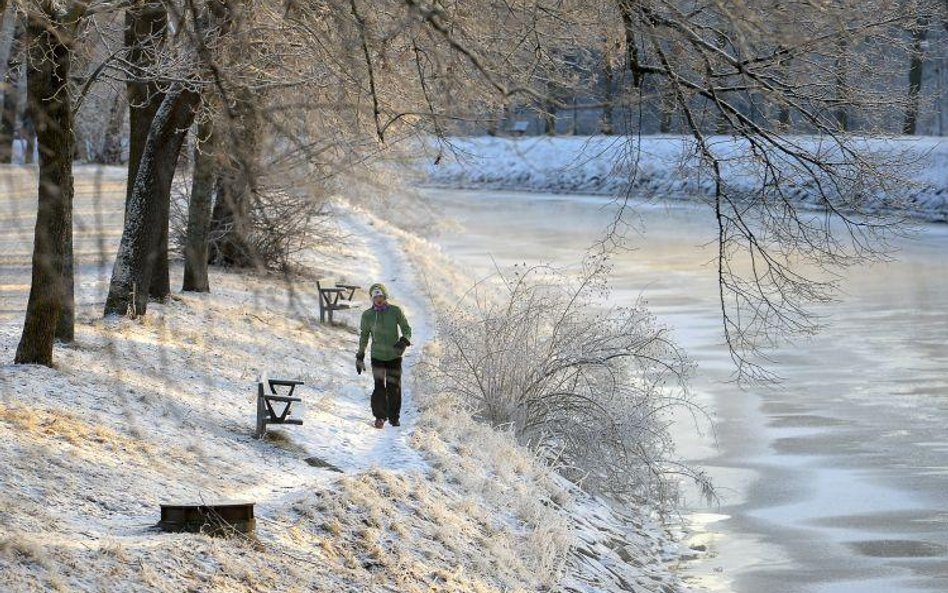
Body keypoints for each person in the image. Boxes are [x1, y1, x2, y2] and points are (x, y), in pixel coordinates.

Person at [356, 283, 411, 429]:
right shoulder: (367, 315)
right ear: (372, 299)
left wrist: (404, 340)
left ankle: (394, 417)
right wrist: (360, 356)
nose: (378, 299)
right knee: (379, 387)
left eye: (380, 296)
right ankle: (380, 417)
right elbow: (364, 336)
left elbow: (406, 328)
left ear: (385, 296)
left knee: (394, 387)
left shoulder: (395, 311)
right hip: (377, 356)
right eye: (375, 297)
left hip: (394, 355)